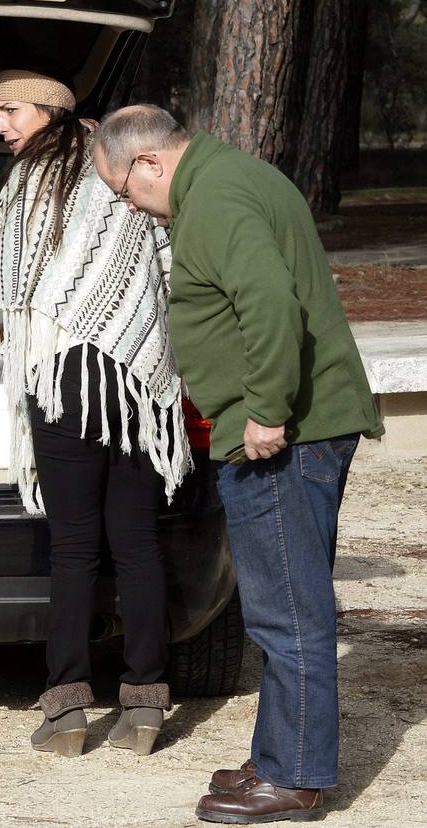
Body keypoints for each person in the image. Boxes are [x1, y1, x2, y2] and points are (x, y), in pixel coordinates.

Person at [93, 104, 384, 824]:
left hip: (284, 433)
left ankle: (295, 776)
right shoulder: (231, 179)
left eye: (124, 192)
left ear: (149, 162)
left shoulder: (215, 197)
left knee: (286, 609)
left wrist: (264, 406)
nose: (131, 208)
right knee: (282, 601)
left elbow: (265, 302)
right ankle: (280, 752)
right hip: (301, 425)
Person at [0, 71, 190, 758]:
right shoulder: (118, 163)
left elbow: (11, 289)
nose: (0, 127)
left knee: (72, 546)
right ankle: (144, 705)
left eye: (8, 112)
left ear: (48, 110)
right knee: (135, 542)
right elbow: (164, 258)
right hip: (134, 371)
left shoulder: (29, 181)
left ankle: (67, 709)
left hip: (62, 371)